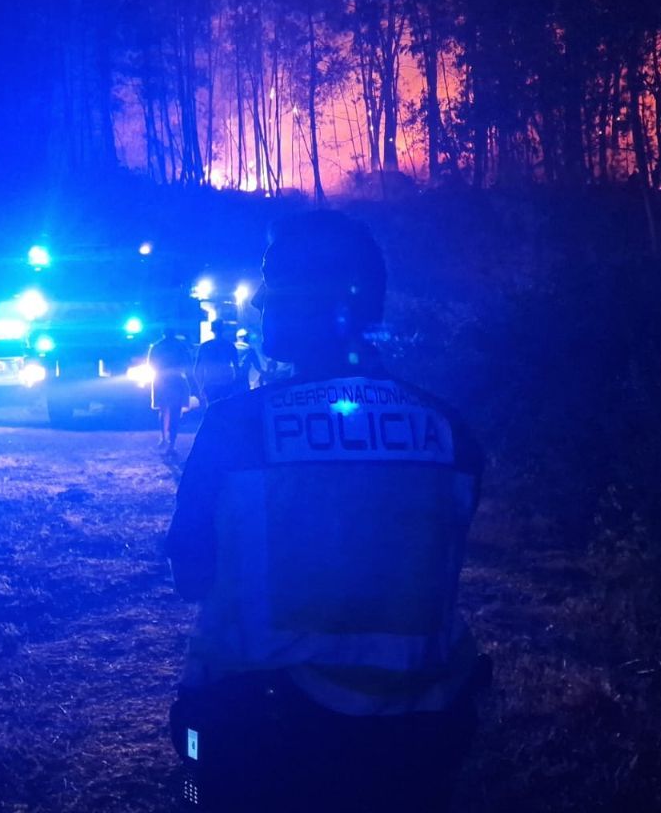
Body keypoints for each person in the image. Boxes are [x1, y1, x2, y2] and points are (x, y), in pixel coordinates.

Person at [165, 211, 486, 813]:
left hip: (255, 739)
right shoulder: (450, 430)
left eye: (272, 279)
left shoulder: (238, 427)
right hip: (415, 744)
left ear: (313, 296)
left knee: (192, 785)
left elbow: (190, 575)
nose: (259, 299)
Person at [148, 326, 192, 455]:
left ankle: (163, 438)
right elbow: (188, 363)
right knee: (175, 412)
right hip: (176, 379)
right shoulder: (181, 346)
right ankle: (172, 443)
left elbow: (151, 364)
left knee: (163, 410)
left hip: (161, 379)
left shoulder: (156, 347)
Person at [193, 322, 239, 407]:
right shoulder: (229, 346)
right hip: (226, 383)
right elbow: (237, 368)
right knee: (225, 410)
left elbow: (197, 370)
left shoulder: (204, 346)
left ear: (212, 331)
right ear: (223, 330)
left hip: (210, 383)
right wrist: (235, 384)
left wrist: (200, 386)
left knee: (211, 410)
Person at [232, 328, 262, 392]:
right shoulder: (250, 350)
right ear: (246, 338)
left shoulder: (231, 348)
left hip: (231, 380)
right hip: (244, 381)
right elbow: (257, 366)